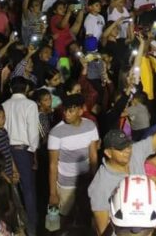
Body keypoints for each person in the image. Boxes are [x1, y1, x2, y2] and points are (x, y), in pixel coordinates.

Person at [88, 100, 156, 236]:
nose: (127, 151)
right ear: (108, 153)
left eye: (127, 145)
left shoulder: (135, 151)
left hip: (149, 224)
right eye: (120, 149)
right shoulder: (100, 186)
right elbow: (103, 229)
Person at [47, 93, 99, 228]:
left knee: (85, 217)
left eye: (70, 111)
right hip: (66, 185)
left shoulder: (90, 126)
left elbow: (93, 156)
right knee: (64, 220)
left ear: (81, 111)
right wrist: (53, 193)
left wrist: (94, 180)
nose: (66, 114)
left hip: (85, 182)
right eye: (65, 110)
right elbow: (53, 165)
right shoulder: (56, 132)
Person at [1, 77, 40, 236]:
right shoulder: (30, 105)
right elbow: (33, 132)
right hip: (24, 151)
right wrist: (34, 152)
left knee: (12, 189)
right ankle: (32, 225)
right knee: (28, 189)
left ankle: (16, 225)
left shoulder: (4, 105)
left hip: (6, 149)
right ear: (26, 89)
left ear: (11, 89)